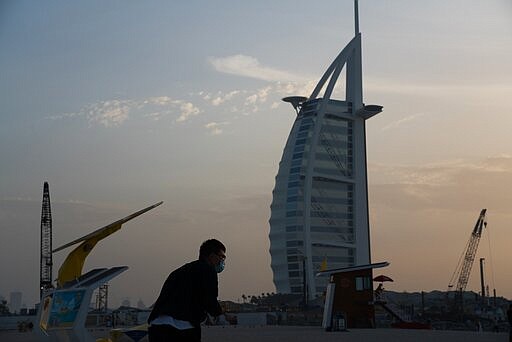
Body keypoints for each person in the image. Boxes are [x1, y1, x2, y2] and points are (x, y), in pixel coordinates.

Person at [147, 239, 229, 342]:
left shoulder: (179, 271)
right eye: (222, 257)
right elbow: (209, 298)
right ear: (212, 256)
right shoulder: (208, 270)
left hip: (157, 325)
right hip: (182, 327)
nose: (222, 261)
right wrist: (219, 315)